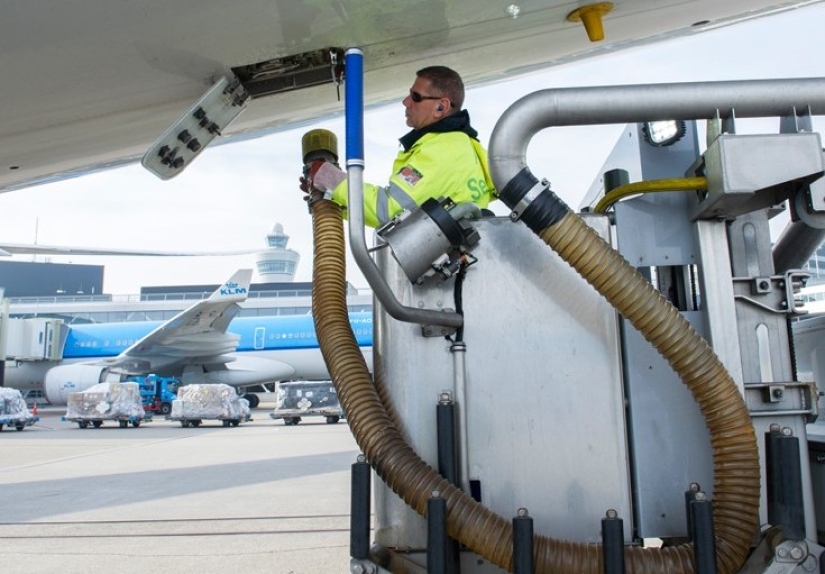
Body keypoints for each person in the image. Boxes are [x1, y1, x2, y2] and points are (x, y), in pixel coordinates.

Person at [302, 65, 497, 227]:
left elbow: (389, 211)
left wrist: (332, 180)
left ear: (441, 107)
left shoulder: (442, 150)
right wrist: (331, 198)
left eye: (416, 97)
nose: (406, 102)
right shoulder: (459, 145)